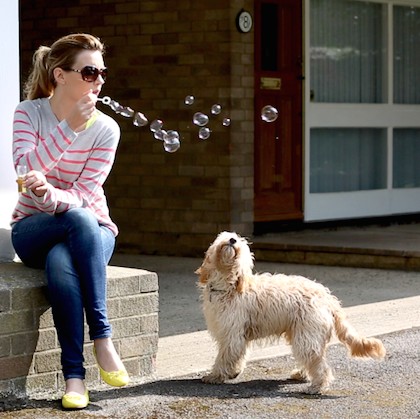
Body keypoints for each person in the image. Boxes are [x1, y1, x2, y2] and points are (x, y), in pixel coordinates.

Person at [11, 33, 128, 409]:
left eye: (102, 73)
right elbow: (25, 169)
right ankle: (102, 335)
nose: (99, 80)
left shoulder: (107, 128)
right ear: (60, 75)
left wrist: (49, 194)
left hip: (93, 230)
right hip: (33, 229)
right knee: (75, 218)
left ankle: (74, 377)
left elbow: (84, 192)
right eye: (90, 72)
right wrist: (68, 129)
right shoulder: (28, 113)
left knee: (63, 260)